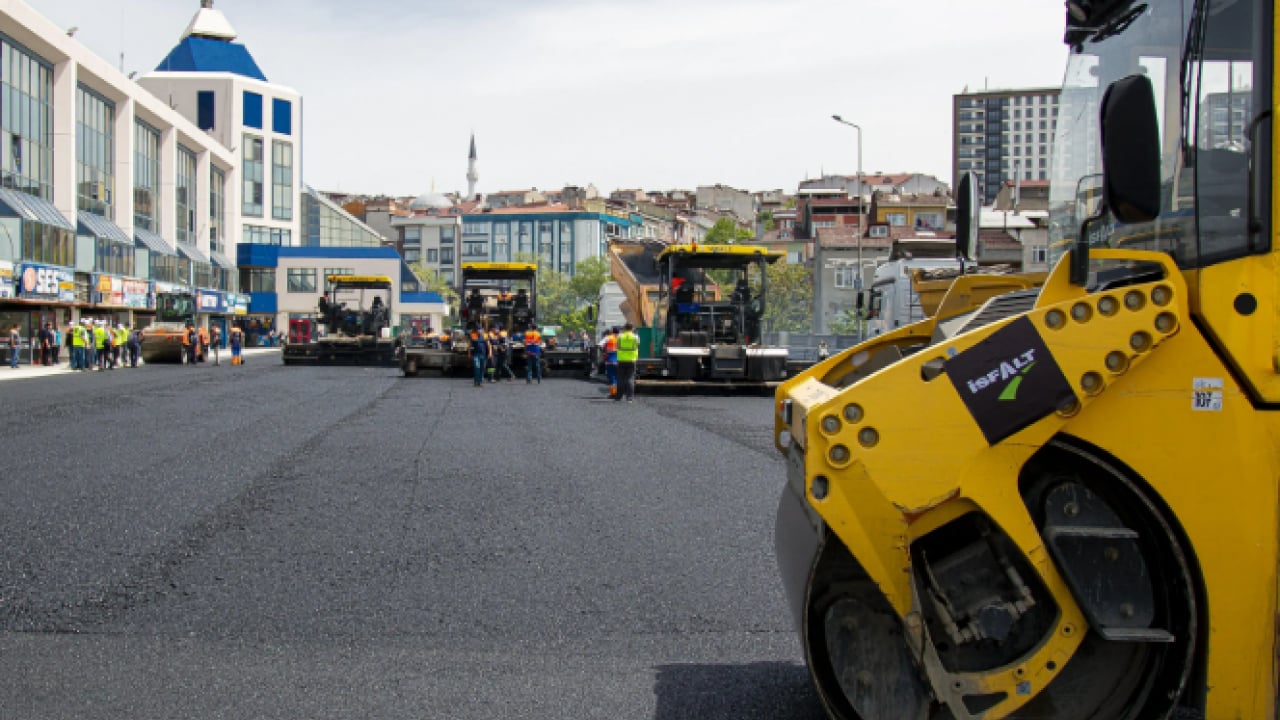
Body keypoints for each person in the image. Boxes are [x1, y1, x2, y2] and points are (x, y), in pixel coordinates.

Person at [616, 322, 640, 403]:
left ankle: (619, 397)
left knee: (620, 379)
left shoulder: (620, 336)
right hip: (632, 359)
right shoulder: (635, 337)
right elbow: (637, 345)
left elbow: (618, 346)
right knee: (630, 378)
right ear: (632, 328)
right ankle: (629, 398)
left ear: (624, 328)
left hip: (621, 359)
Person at [603, 327, 619, 399]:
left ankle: (613, 394)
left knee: (611, 377)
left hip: (610, 360)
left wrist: (604, 353)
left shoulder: (608, 338)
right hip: (619, 361)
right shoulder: (621, 338)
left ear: (612, 331)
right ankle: (619, 393)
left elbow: (599, 345)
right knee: (617, 377)